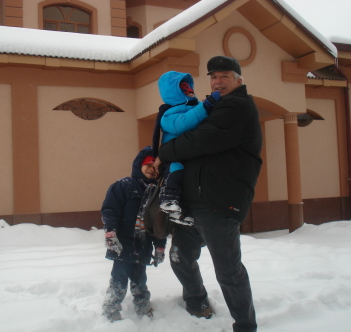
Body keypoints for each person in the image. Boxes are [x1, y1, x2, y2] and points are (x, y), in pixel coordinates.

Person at [157, 56, 262, 332]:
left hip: (219, 202)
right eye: (213, 77)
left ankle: (245, 324)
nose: (217, 81)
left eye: (224, 76)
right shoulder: (213, 107)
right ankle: (196, 301)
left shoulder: (238, 106)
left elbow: (199, 140)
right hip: (194, 201)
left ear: (238, 80)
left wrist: (164, 151)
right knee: (181, 256)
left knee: (228, 269)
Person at [101, 146, 167, 322]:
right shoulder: (124, 185)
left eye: (155, 167)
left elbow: (160, 223)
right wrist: (110, 233)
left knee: (140, 280)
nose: (151, 169)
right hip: (123, 243)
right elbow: (110, 210)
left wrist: (160, 245)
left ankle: (143, 309)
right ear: (139, 165)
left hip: (143, 244)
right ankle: (111, 311)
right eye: (148, 165)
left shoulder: (158, 192)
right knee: (119, 279)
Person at [152, 71, 220, 226]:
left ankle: (183, 212)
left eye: (190, 90)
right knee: (176, 172)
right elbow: (182, 124)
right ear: (174, 92)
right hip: (174, 158)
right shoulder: (169, 113)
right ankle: (168, 200)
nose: (189, 92)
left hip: (190, 155)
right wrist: (206, 106)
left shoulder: (196, 108)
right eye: (184, 90)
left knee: (190, 183)